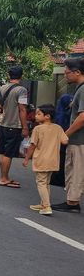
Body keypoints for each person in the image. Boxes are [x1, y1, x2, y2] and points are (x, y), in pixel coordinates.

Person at [0, 66, 29, 188]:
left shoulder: (3, 88)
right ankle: (4, 178)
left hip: (2, 124)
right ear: (21, 76)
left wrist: (1, 106)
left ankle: (4, 176)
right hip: (14, 125)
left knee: (2, 151)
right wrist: (25, 127)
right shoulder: (21, 90)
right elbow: (22, 109)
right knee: (8, 153)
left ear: (8, 75)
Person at [23, 104, 68, 216]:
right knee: (46, 182)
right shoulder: (58, 128)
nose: (36, 116)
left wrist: (27, 159)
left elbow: (32, 145)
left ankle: (47, 206)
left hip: (41, 160)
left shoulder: (37, 129)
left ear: (47, 116)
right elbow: (65, 141)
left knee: (41, 183)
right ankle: (43, 203)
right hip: (53, 160)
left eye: (39, 114)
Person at [53, 58, 84, 212]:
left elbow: (83, 117)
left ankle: (72, 202)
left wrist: (66, 134)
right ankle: (72, 200)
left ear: (77, 72)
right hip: (77, 139)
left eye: (67, 73)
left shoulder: (83, 89)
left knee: (77, 170)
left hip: (80, 140)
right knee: (72, 169)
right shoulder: (79, 89)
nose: (65, 76)